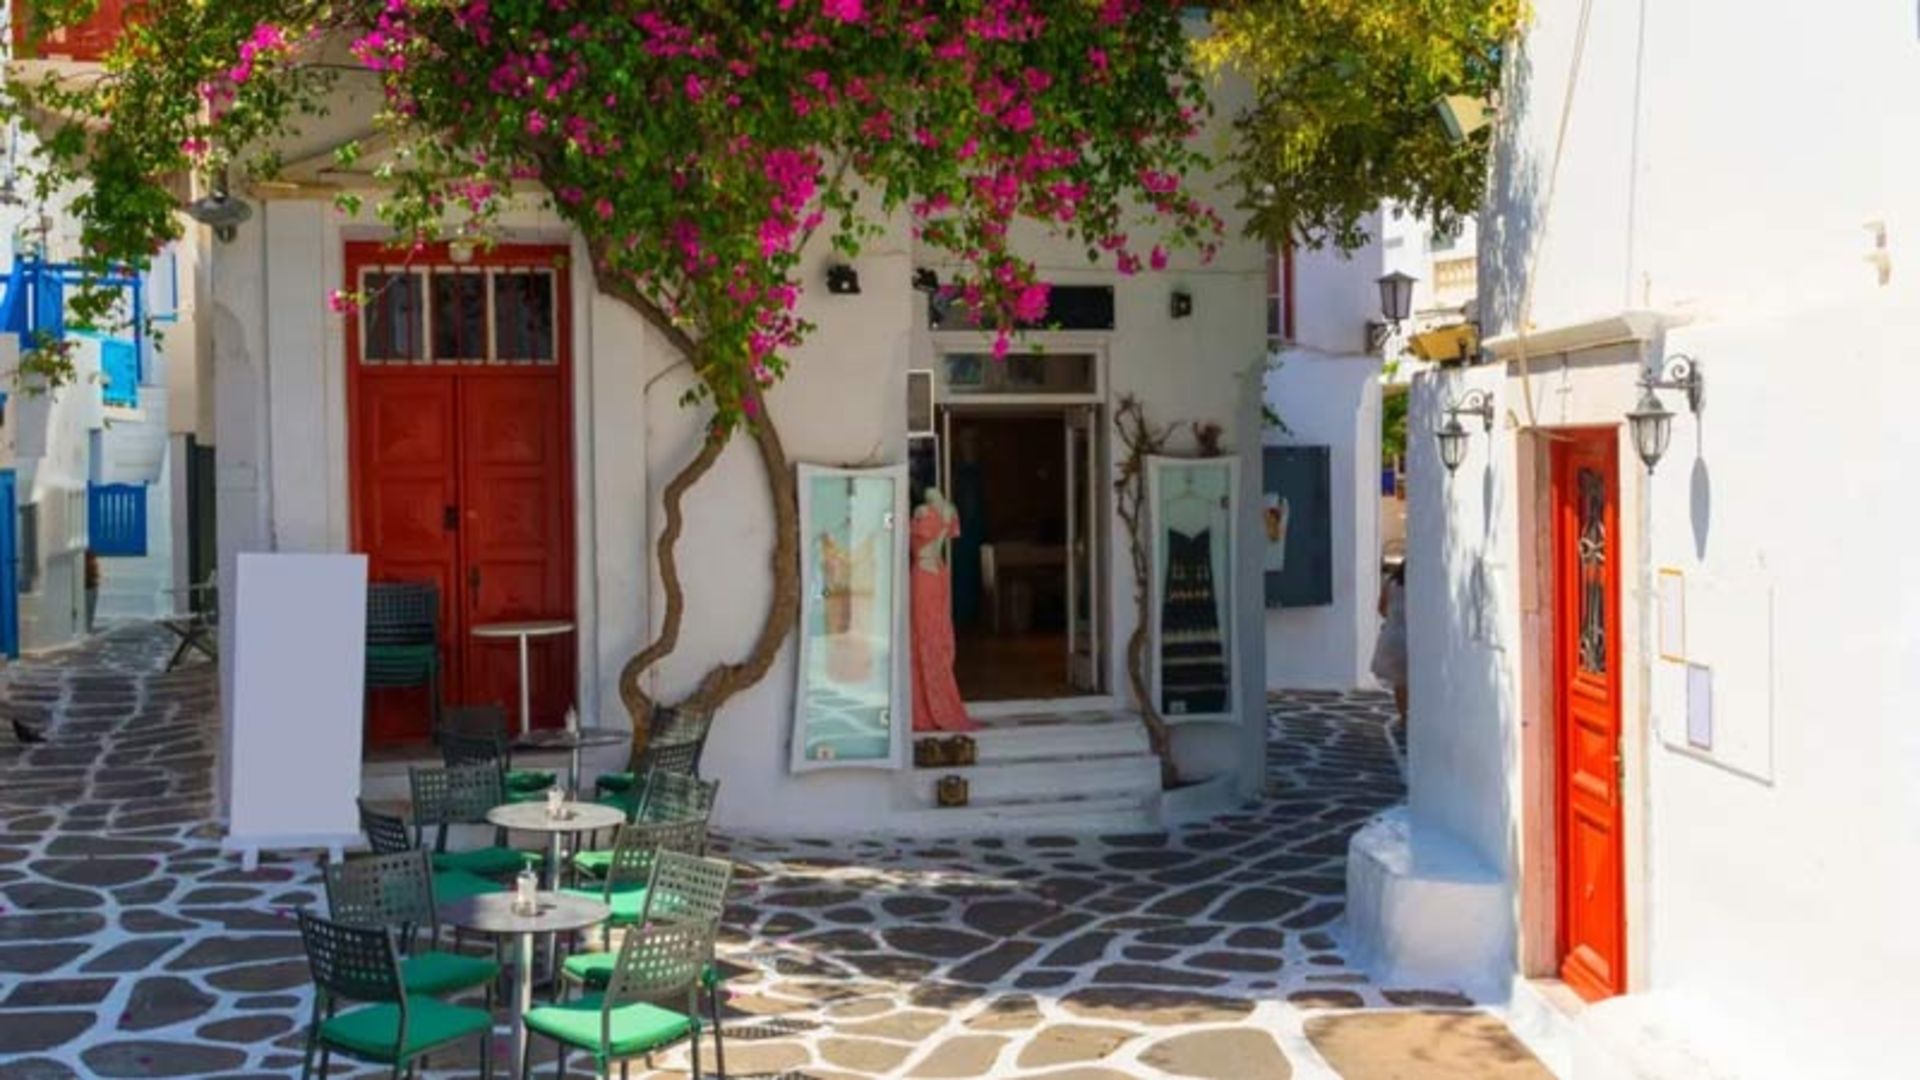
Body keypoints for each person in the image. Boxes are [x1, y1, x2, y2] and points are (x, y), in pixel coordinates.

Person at [1372, 560, 1409, 728]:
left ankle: (1403, 716)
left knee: (1400, 682)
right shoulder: (1418, 585)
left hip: (1392, 636)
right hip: (1409, 637)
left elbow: (1381, 609)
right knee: (1414, 679)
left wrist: (1394, 618)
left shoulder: (1390, 584)